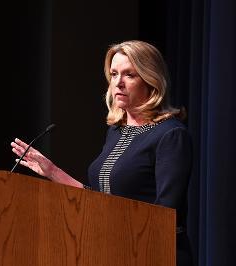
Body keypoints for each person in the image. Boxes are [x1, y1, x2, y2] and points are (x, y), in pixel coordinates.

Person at [11, 40, 193, 266]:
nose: (118, 83)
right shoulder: (116, 132)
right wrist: (53, 171)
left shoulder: (171, 135)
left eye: (130, 75)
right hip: (113, 251)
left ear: (151, 80)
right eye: (114, 74)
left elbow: (165, 216)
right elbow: (100, 201)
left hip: (155, 255)